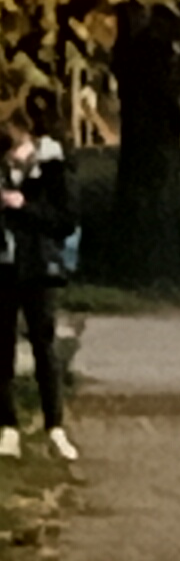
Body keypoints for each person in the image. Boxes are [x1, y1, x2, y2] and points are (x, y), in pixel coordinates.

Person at [0, 99, 72, 461]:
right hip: (4, 265)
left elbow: (64, 220)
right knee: (2, 348)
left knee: (44, 345)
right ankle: (7, 426)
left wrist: (22, 207)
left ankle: (54, 425)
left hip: (38, 266)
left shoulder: (50, 166)